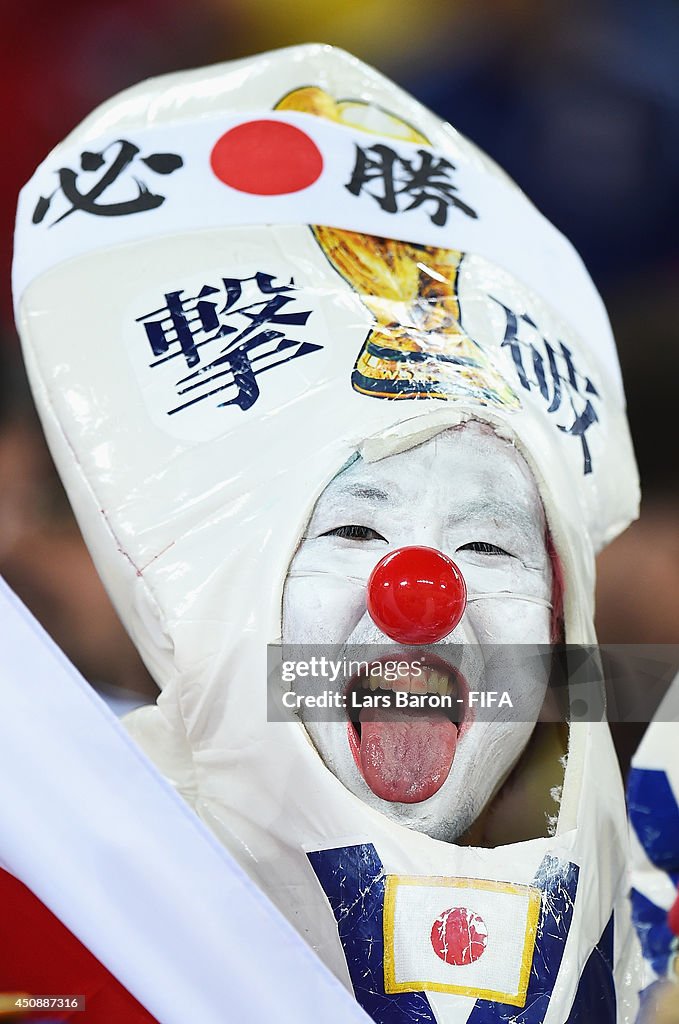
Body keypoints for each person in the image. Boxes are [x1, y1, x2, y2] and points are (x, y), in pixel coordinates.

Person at [10, 44, 643, 1021]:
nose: (420, 591)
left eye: (488, 547)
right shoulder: (54, 887)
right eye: (350, 531)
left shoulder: (639, 920)